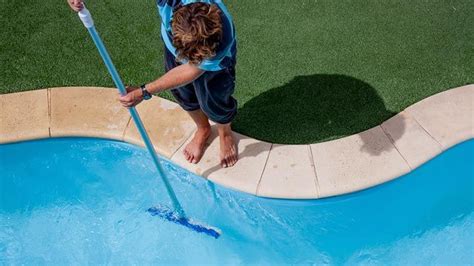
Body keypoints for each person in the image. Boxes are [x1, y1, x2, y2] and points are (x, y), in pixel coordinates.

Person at [68, 0, 238, 168]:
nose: (184, 60)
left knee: (215, 104)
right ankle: (203, 128)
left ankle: (225, 134)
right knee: (183, 93)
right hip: (180, 46)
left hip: (215, 68)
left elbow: (191, 70)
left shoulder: (221, 37)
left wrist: (144, 91)